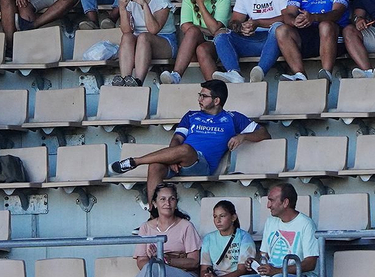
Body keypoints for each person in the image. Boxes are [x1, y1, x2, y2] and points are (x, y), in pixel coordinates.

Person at [109, 80, 265, 195]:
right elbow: (177, 139)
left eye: (204, 96)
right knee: (155, 167)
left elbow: (264, 133)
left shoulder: (233, 118)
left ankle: (135, 162)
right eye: (199, 95)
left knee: (186, 149)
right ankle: (153, 216)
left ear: (217, 101)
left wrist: (242, 136)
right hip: (179, 159)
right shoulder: (191, 115)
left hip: (202, 166)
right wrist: (172, 159)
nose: (199, 99)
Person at [216, 0, 291, 84]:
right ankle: (234, 73)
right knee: (221, 34)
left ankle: (260, 71)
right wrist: (241, 27)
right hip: (252, 39)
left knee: (277, 28)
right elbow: (234, 21)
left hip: (275, 40)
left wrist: (258, 23)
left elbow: (288, 18)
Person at [111, 0, 174, 87]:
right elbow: (126, 31)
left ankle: (138, 81)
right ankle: (126, 79)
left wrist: (144, 5)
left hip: (164, 42)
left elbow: (153, 30)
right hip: (140, 42)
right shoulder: (131, 0)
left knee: (144, 36)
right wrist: (122, 8)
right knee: (127, 37)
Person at [166, 0, 228, 84]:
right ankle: (176, 75)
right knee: (193, 32)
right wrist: (208, 31)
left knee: (202, 49)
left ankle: (214, 91)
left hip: (217, 46)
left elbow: (215, 29)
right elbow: (185, 26)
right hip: (193, 45)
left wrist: (200, 3)